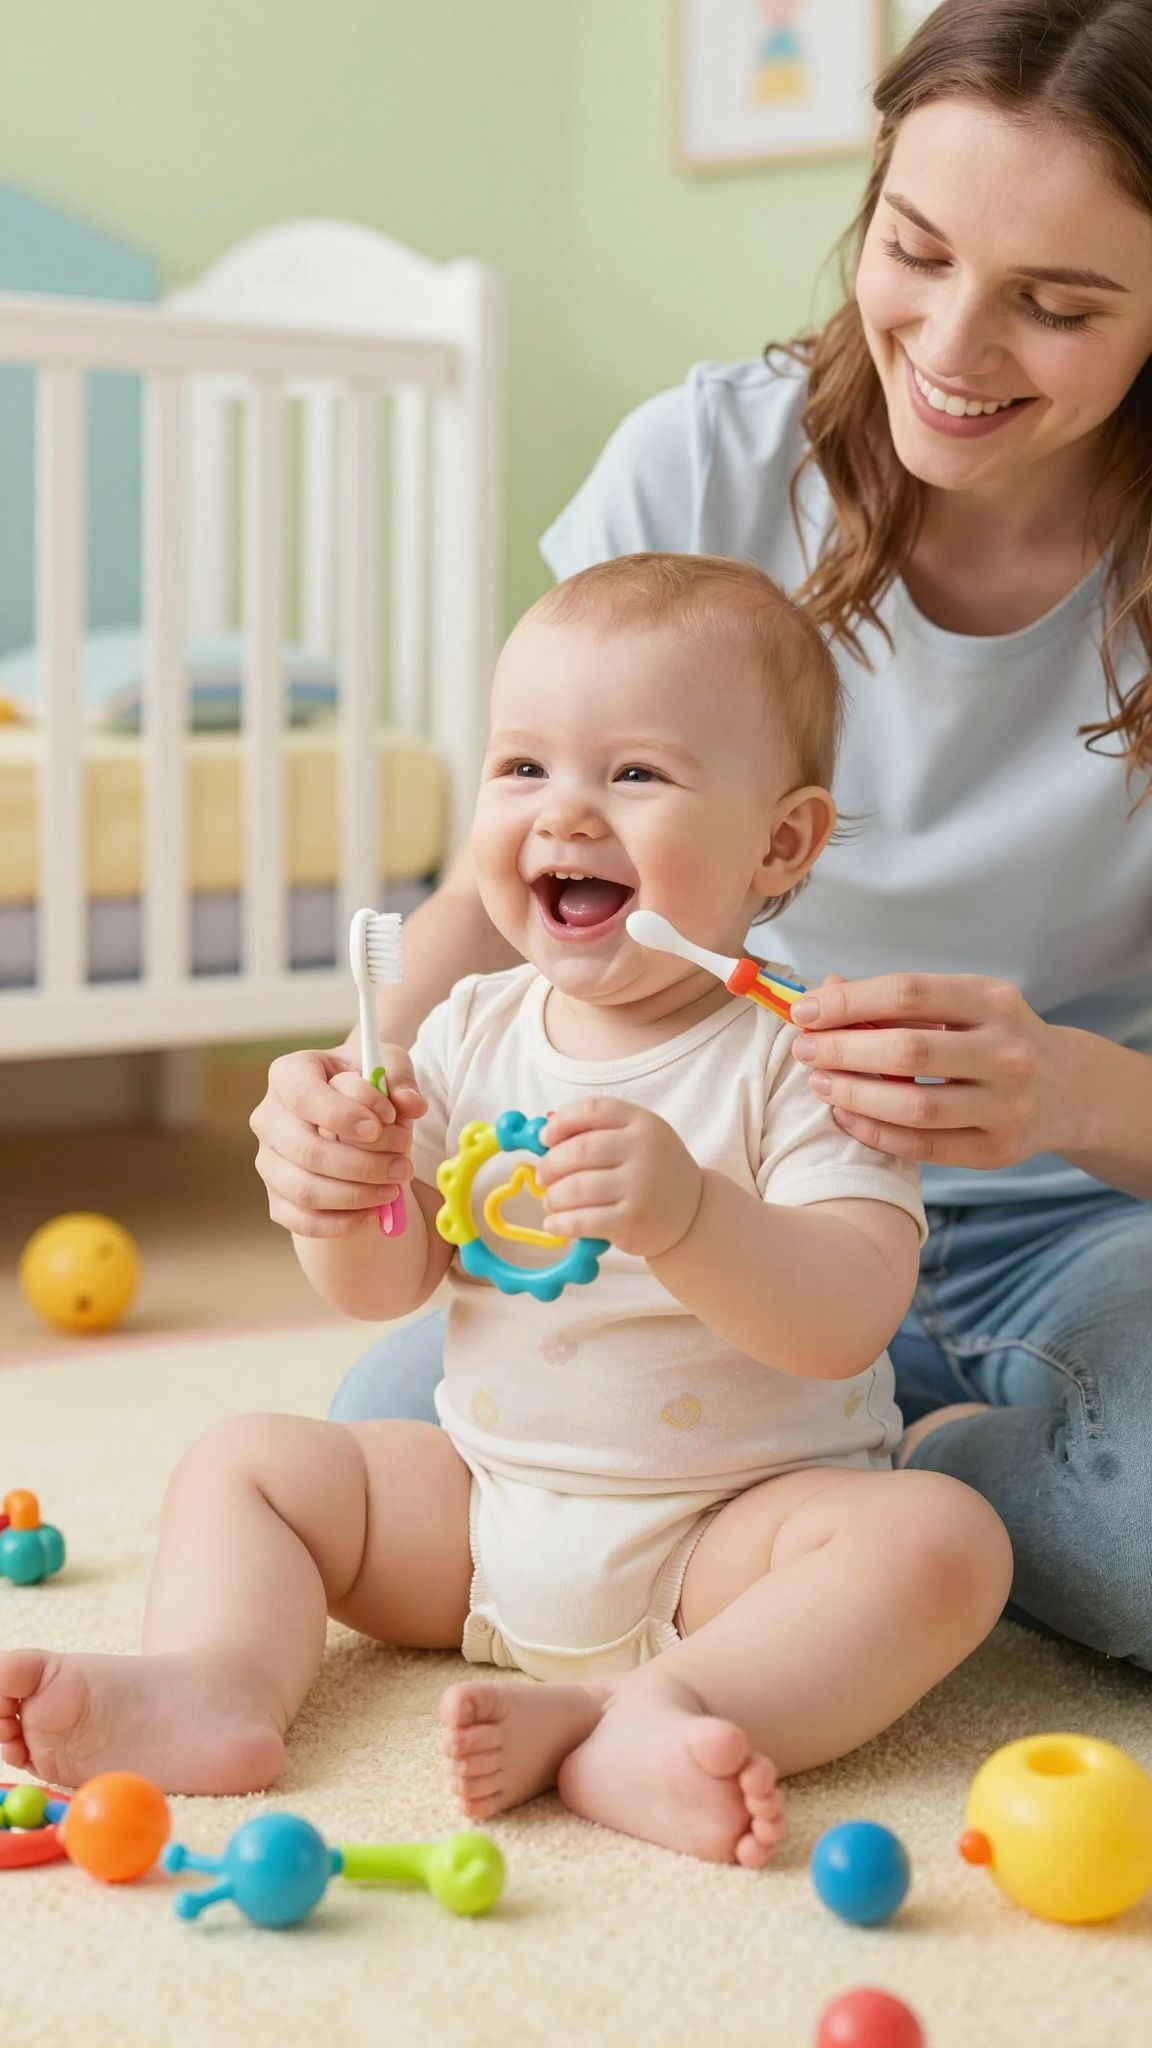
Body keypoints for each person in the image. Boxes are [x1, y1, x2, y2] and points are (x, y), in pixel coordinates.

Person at [251, 0, 1152, 1669]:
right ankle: (808, 1533)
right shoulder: (705, 459)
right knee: (414, 1428)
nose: (952, 347)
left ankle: (920, 1480)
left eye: (1058, 304)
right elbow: (503, 867)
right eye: (916, 249)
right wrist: (353, 1095)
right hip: (662, 1164)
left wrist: (1069, 1093)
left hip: (1079, 1218)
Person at [0, 557, 1012, 1866]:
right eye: (523, 767)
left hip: (727, 1540)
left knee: (940, 1544)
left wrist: (690, 1214)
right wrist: (349, 1195)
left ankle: (659, 1711)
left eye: (635, 774)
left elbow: (848, 1313)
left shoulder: (801, 1054)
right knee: (247, 1460)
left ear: (783, 842)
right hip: (480, 1514)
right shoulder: (471, 1027)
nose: (566, 813)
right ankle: (219, 1683)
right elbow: (384, 1288)